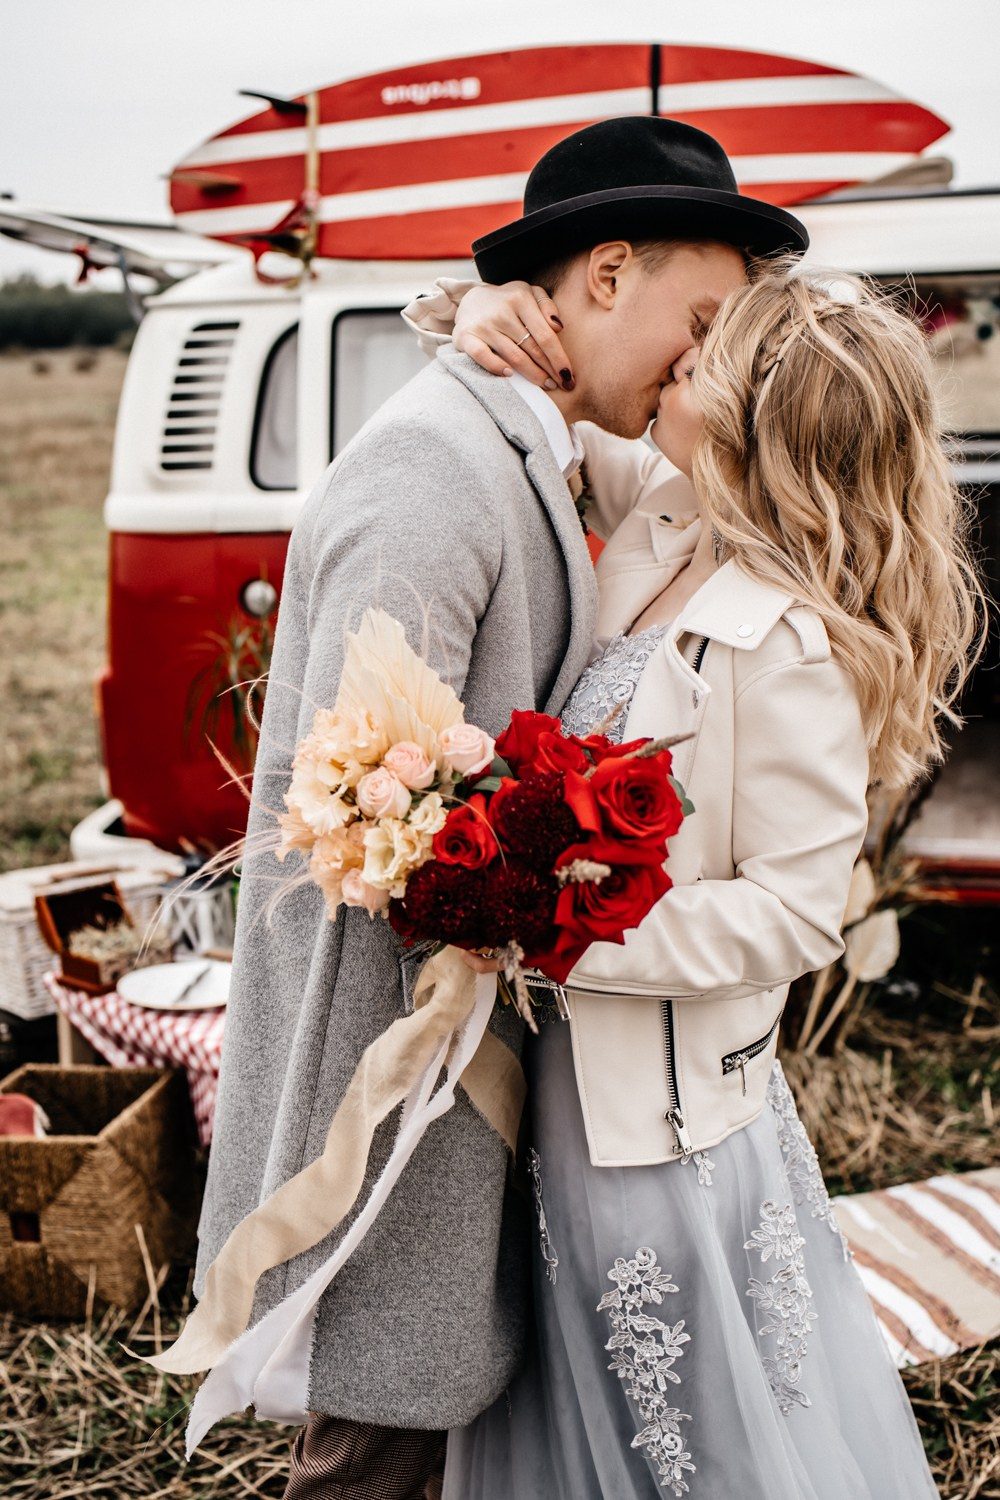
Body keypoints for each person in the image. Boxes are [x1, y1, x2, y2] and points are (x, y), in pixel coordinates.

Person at [192, 116, 807, 1500]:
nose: (707, 363)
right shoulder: (434, 466)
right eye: (700, 320)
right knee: (374, 1436)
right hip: (395, 1045)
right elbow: (354, 797)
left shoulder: (540, 439)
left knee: (429, 1408)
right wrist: (548, 911)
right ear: (602, 277)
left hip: (470, 1028)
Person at [404, 265, 981, 1497]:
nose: (675, 355)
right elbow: (556, 385)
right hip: (562, 1076)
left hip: (654, 1122)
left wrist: (560, 927)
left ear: (749, 417)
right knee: (567, 1393)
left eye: (709, 347)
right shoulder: (671, 512)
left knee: (677, 1427)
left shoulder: (787, 647)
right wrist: (483, 307)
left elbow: (791, 909)